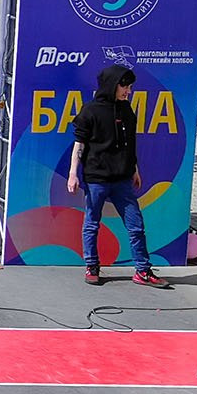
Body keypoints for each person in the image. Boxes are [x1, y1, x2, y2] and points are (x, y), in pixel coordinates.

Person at [65, 65, 169, 288]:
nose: (128, 91)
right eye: (125, 86)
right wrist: (73, 173)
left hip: (122, 180)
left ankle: (142, 270)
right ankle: (92, 266)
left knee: (136, 226)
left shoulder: (127, 111)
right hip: (97, 180)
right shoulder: (90, 111)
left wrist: (135, 169)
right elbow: (79, 145)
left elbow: (130, 144)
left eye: (130, 87)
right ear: (112, 84)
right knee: (92, 224)